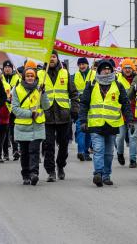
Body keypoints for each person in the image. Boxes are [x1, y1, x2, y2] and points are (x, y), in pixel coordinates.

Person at [79, 59, 134, 186]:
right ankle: (98, 173)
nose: (106, 71)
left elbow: (125, 103)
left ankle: (106, 175)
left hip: (112, 124)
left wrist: (130, 120)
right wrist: (83, 121)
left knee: (109, 153)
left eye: (109, 69)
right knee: (98, 149)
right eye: (104, 69)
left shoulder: (118, 85)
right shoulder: (92, 85)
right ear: (99, 71)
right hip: (96, 123)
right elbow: (84, 104)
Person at [38, 51, 79, 182]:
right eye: (49, 56)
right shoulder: (40, 74)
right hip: (47, 115)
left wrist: (74, 109)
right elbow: (34, 95)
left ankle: (60, 166)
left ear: (57, 58)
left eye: (54, 56)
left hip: (63, 115)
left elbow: (73, 93)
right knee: (48, 145)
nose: (51, 59)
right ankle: (50, 171)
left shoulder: (65, 73)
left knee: (63, 145)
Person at [12, 62, 50, 185]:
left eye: (32, 76)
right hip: (22, 127)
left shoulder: (40, 89)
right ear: (23, 77)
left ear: (35, 77)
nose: (30, 78)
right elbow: (15, 109)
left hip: (37, 126)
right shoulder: (16, 90)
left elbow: (46, 106)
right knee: (25, 153)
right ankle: (25, 174)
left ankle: (34, 174)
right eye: (27, 75)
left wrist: (43, 93)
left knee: (34, 151)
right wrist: (30, 113)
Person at [116, 58, 137, 167]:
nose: (128, 70)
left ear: (133, 69)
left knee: (133, 137)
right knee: (119, 138)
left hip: (134, 113)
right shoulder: (117, 79)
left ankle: (133, 160)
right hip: (120, 114)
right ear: (122, 69)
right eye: (125, 68)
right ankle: (120, 153)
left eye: (129, 68)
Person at [73, 57, 93, 162]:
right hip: (80, 106)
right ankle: (81, 151)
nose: (81, 66)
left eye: (83, 64)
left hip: (92, 107)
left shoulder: (94, 74)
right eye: (80, 64)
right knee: (80, 129)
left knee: (89, 130)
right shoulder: (75, 76)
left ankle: (86, 152)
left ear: (87, 64)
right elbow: (72, 92)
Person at [2, 60, 21, 161]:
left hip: (14, 107)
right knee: (4, 132)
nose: (7, 69)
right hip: (3, 108)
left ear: (12, 69)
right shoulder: (0, 78)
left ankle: (15, 151)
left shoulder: (17, 77)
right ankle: (5, 153)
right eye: (5, 67)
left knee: (14, 130)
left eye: (9, 67)